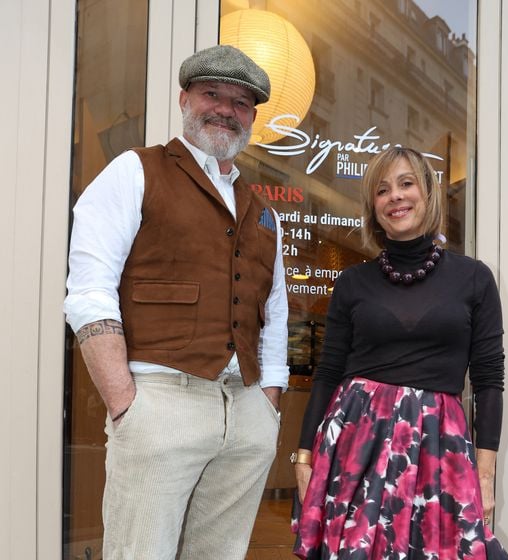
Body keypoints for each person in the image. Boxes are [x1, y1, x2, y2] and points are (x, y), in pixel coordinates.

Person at [64, 44, 289, 560]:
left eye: (241, 102)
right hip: (160, 404)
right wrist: (125, 403)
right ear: (185, 98)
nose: (226, 110)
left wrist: (269, 403)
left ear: (252, 117)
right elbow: (90, 291)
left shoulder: (263, 211)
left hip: (246, 412)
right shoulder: (135, 171)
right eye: (213, 94)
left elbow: (274, 314)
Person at [291, 147, 508, 559]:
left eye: (406, 183)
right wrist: (304, 457)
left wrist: (485, 473)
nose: (395, 196)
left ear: (427, 193)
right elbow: (328, 373)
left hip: (438, 446)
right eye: (382, 190)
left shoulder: (475, 279)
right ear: (373, 208)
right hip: (356, 446)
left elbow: (488, 380)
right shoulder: (352, 283)